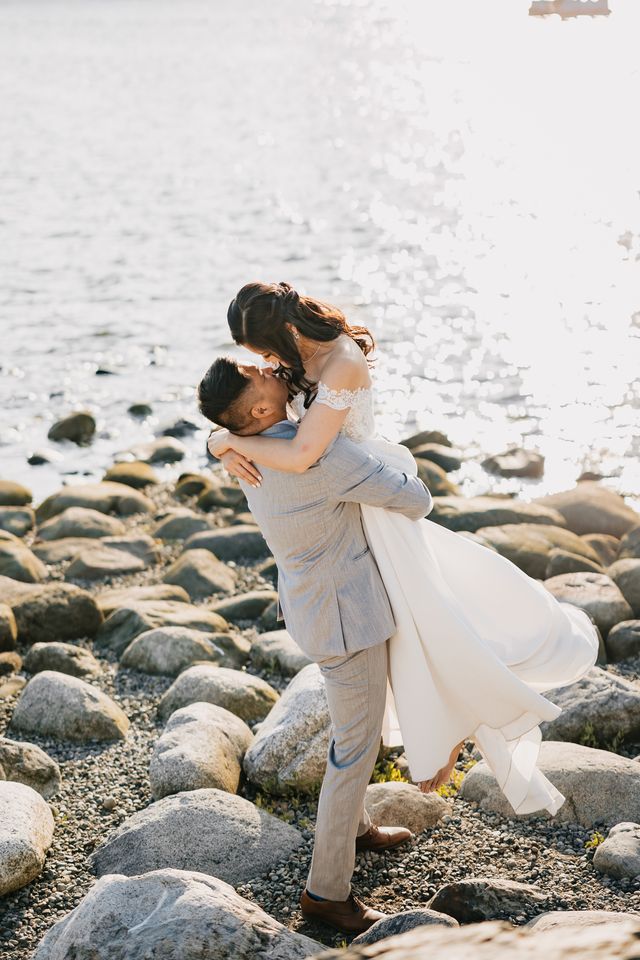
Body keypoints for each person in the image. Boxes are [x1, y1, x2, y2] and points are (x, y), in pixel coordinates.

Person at [207, 280, 600, 816]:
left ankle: (449, 733)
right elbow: (260, 422)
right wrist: (217, 440)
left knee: (434, 623)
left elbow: (301, 452)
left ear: (287, 330)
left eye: (267, 351)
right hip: (346, 501)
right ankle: (434, 741)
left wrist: (231, 442)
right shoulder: (297, 362)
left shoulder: (340, 362)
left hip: (370, 494)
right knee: (414, 632)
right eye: (261, 359)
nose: (269, 363)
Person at [198, 356, 434, 933]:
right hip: (345, 615)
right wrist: (378, 454)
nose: (271, 366)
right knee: (353, 750)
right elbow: (416, 498)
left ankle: (354, 829)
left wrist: (219, 440)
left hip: (310, 603)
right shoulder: (319, 454)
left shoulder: (249, 448)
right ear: (259, 409)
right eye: (259, 372)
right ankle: (326, 893)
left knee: (359, 729)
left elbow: (229, 433)